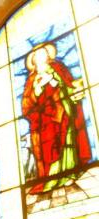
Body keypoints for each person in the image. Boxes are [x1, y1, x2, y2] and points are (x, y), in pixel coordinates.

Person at [22, 42, 91, 194]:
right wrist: (38, 88)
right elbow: (27, 103)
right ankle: (51, 178)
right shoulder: (31, 79)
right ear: (33, 60)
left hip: (61, 111)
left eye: (44, 53)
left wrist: (53, 80)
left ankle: (70, 172)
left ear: (48, 56)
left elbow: (66, 85)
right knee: (48, 147)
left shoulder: (58, 68)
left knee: (66, 140)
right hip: (43, 119)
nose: (41, 56)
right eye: (38, 55)